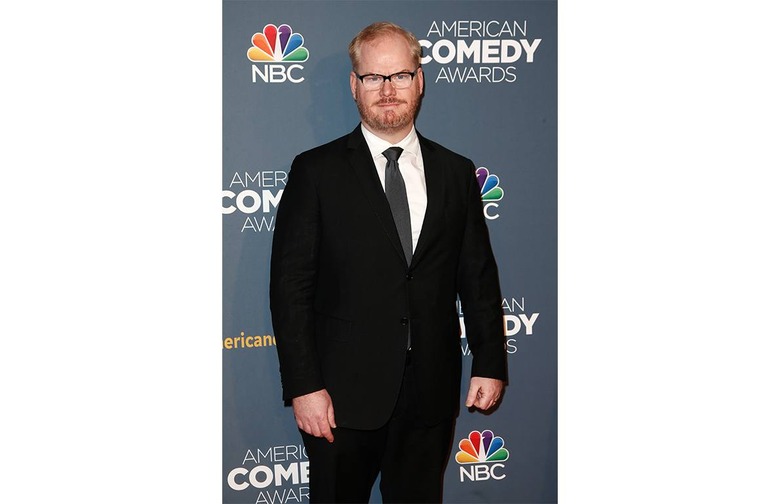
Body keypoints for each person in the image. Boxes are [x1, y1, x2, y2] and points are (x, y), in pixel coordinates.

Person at [269, 21, 507, 503]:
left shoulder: (456, 172)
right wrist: (304, 386)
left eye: (399, 75)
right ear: (354, 85)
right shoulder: (316, 171)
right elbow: (290, 289)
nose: (387, 90)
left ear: (419, 81)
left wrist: (489, 362)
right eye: (373, 78)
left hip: (430, 395)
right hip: (339, 399)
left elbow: (478, 278)